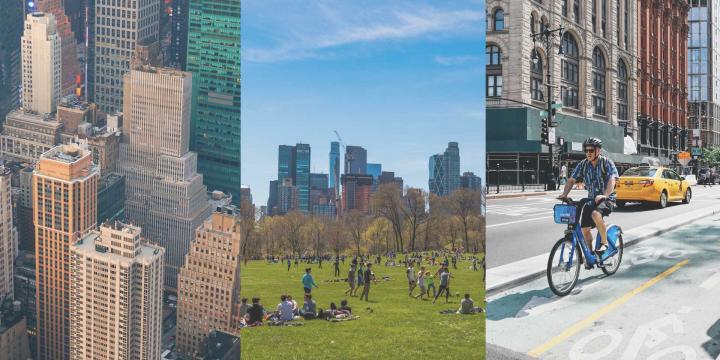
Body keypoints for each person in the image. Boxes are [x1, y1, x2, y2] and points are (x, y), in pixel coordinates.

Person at [558, 137, 619, 261]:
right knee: (584, 229)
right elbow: (571, 180)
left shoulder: (606, 162)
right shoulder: (583, 164)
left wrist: (605, 195)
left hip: (607, 199)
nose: (588, 153)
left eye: (591, 150)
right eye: (586, 150)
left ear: (598, 151)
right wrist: (564, 194)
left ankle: (604, 243)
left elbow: (612, 180)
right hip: (591, 199)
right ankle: (590, 255)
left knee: (596, 214)